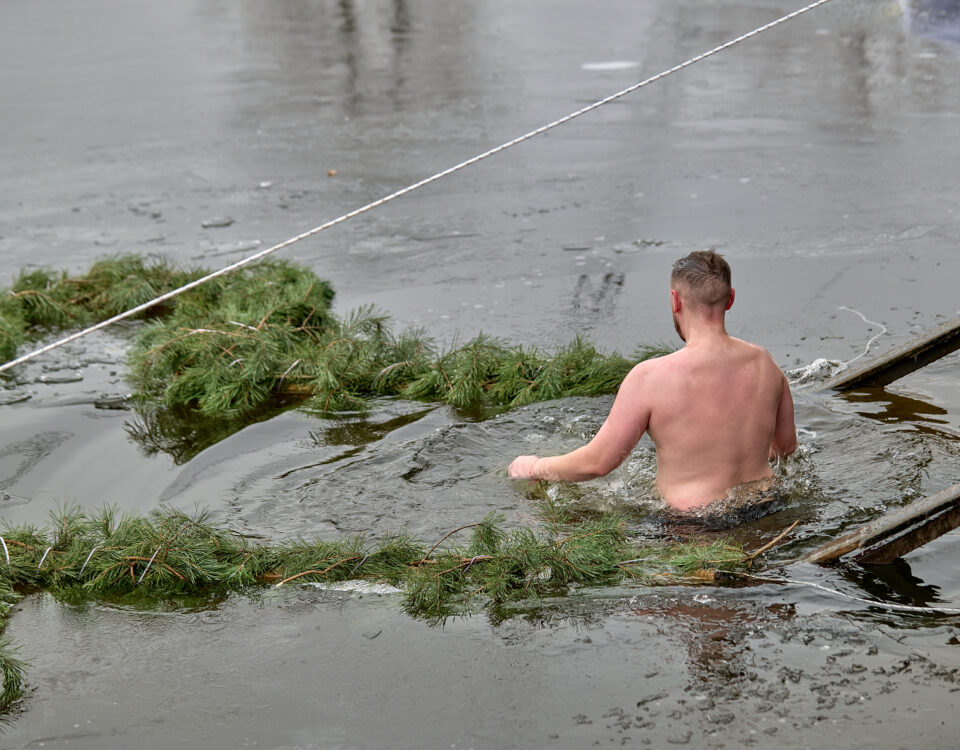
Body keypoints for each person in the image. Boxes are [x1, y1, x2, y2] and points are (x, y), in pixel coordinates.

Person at [508, 249, 796, 512]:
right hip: (768, 508)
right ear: (730, 298)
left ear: (675, 300)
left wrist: (535, 467)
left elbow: (598, 463)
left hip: (693, 528)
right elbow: (785, 449)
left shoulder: (651, 377)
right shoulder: (765, 364)